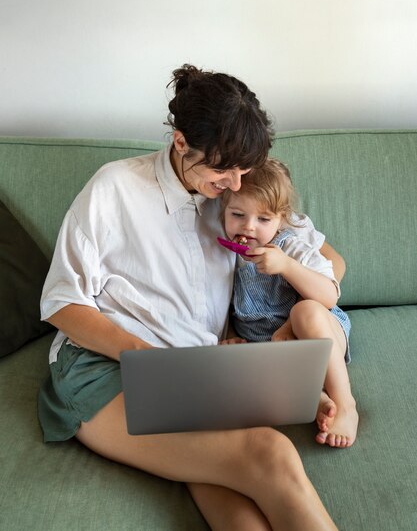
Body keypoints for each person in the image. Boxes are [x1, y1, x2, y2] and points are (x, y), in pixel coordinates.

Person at [38, 64, 340, 531]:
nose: (236, 184)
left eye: (244, 171)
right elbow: (61, 303)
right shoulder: (115, 187)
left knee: (239, 511)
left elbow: (330, 263)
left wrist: (280, 336)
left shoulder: (233, 202)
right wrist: (150, 359)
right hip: (104, 369)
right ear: (181, 143)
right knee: (270, 453)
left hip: (192, 375)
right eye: (225, 169)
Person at [221, 158, 359, 448]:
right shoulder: (225, 257)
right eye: (237, 214)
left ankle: (345, 404)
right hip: (270, 349)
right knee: (233, 376)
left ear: (281, 220)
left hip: (319, 332)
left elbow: (329, 296)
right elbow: (223, 305)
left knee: (304, 310)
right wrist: (231, 336)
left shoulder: (293, 248)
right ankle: (316, 399)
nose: (248, 227)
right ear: (223, 210)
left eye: (263, 219)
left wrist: (286, 266)